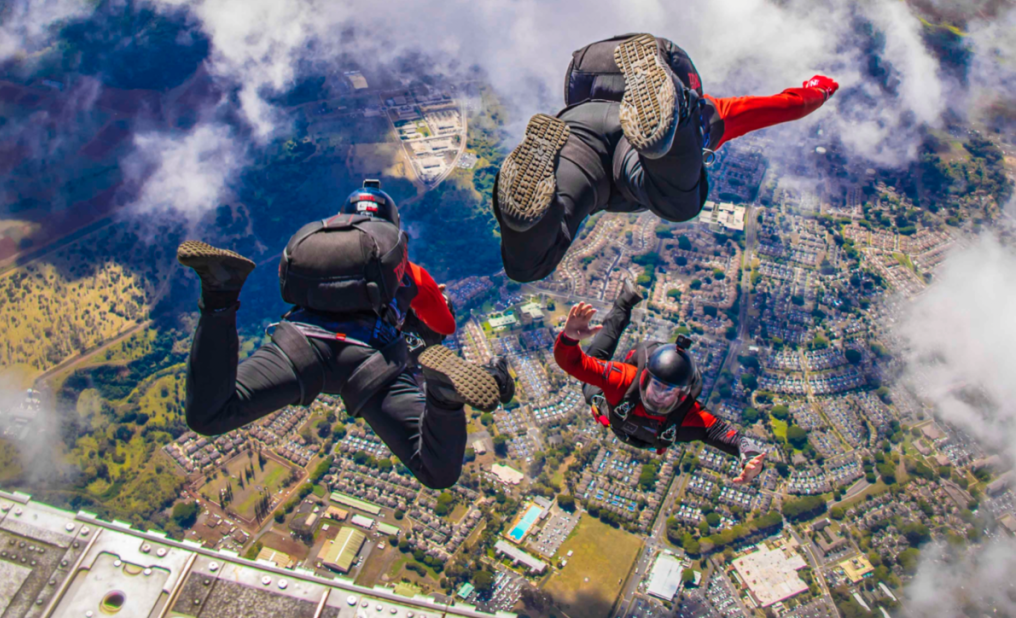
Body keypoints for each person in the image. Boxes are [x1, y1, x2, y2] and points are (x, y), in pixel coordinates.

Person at [177, 180, 513, 490]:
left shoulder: (321, 256)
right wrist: (434, 305)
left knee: (209, 414)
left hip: (301, 343)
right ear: (392, 231)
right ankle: (442, 395)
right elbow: (444, 326)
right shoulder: (411, 273)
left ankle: (221, 293)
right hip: (371, 359)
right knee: (436, 470)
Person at [494, 32, 839, 282]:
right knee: (679, 204)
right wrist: (819, 90)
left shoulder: (582, 99)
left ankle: (529, 206)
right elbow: (786, 106)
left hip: (575, 128)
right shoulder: (715, 112)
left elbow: (786, 107)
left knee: (526, 264)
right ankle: (673, 122)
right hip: (631, 152)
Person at [555, 280, 765, 483]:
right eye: (657, 385)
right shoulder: (623, 380)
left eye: (670, 391)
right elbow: (574, 364)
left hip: (626, 425)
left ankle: (625, 303)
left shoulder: (689, 413)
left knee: (594, 375)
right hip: (618, 416)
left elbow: (734, 439)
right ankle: (624, 303)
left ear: (683, 395)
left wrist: (749, 457)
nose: (660, 395)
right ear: (644, 379)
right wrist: (570, 338)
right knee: (596, 363)